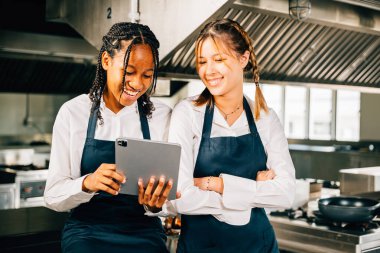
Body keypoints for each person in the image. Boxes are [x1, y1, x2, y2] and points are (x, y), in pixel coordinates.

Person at [143, 19, 296, 252]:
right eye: (202, 62)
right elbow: (181, 198)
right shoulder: (188, 113)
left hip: (259, 246)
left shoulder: (265, 118)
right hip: (201, 246)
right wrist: (253, 190)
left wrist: (215, 184)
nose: (208, 70)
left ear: (243, 59)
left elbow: (286, 194)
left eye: (219, 59)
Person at [44, 22, 173, 253]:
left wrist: (155, 206)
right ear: (106, 61)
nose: (137, 84)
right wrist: (87, 183)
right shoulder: (73, 113)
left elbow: (173, 198)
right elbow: (53, 195)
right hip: (87, 232)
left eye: (147, 75)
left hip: (143, 233)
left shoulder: (162, 116)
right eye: (129, 71)